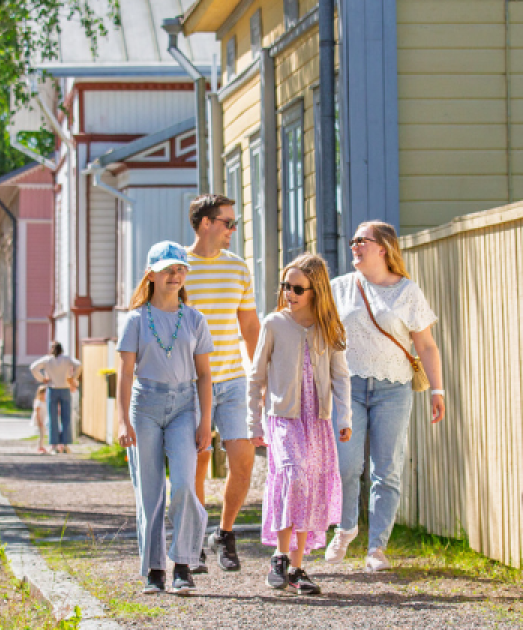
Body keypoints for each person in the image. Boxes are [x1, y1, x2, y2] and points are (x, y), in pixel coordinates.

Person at [327, 221, 446, 572]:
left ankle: (377, 548)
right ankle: (345, 529)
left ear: (382, 248)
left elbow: (426, 345)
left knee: (387, 469)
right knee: (347, 465)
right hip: (347, 389)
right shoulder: (339, 288)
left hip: (393, 389)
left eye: (361, 241)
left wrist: (437, 390)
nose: (354, 245)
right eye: (353, 240)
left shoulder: (407, 291)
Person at [248, 254, 352, 595]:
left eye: (297, 288)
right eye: (285, 286)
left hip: (317, 421)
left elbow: (341, 376)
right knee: (293, 475)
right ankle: (279, 556)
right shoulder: (274, 324)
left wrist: (344, 417)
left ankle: (296, 568)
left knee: (310, 484)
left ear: (315, 290)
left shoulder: (329, 328)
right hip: (284, 418)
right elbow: (256, 377)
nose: (289, 293)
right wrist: (254, 424)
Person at [116, 241, 214, 595]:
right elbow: (125, 374)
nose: (175, 275)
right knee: (151, 490)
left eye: (181, 269)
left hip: (184, 408)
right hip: (145, 406)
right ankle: (154, 569)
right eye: (168, 269)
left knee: (185, 484)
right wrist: (123, 421)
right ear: (151, 275)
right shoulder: (135, 320)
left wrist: (205, 422)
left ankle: (183, 564)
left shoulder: (195, 319)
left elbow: (205, 375)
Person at [183, 193, 261, 573]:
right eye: (228, 222)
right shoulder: (178, 267)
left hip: (233, 380)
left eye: (234, 223)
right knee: (197, 462)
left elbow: (250, 327)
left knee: (244, 461)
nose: (233, 229)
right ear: (205, 223)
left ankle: (224, 534)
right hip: (190, 383)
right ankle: (195, 538)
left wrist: (260, 378)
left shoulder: (238, 269)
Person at [30, 342, 82, 454]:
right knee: (66, 417)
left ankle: (54, 446)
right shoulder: (66, 359)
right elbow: (79, 364)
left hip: (52, 388)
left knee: (52, 417)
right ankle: (65, 445)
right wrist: (73, 377)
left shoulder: (47, 360)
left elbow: (33, 367)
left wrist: (42, 378)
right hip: (65, 388)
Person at [29, 385, 49, 454]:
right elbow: (37, 413)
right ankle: (40, 447)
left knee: (43, 433)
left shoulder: (45, 402)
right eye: (42, 394)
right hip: (39, 420)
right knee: (42, 434)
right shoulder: (38, 402)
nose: (44, 396)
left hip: (44, 419)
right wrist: (39, 421)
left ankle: (42, 446)